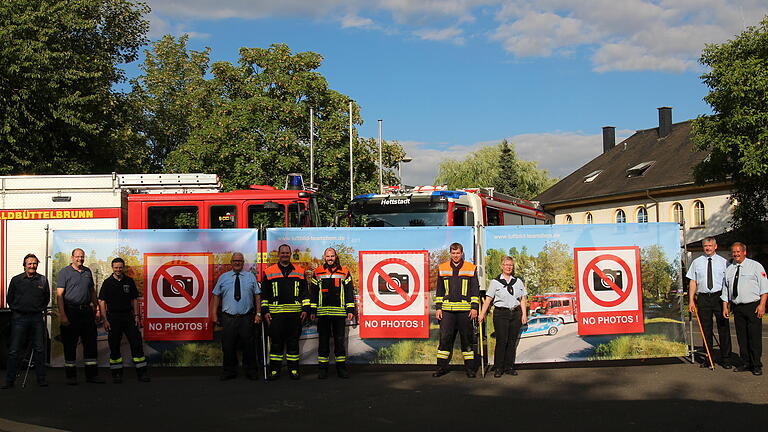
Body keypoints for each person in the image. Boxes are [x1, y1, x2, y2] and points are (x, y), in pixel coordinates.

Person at [97, 258, 150, 383]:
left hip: (128, 317)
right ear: (112, 268)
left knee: (136, 344)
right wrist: (105, 319)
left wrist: (137, 316)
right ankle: (116, 374)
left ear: (123, 267)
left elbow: (134, 299)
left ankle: (142, 373)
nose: (118, 270)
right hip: (113, 318)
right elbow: (102, 301)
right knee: (114, 346)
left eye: (120, 267)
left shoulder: (129, 281)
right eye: (116, 267)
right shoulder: (107, 283)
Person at [211, 252, 262, 380]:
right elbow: (216, 295)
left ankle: (251, 371)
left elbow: (257, 295)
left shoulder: (250, 277)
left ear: (243, 263)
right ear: (231, 262)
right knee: (228, 346)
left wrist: (258, 313)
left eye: (240, 261)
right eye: (235, 261)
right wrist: (213, 314)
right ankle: (229, 371)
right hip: (228, 318)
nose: (237, 263)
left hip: (246, 317)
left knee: (249, 346)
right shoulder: (223, 277)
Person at [262, 244, 310, 380]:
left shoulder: (300, 271)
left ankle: (293, 369)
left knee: (293, 344)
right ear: (278, 254)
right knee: (276, 344)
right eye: (282, 253)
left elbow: (305, 293)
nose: (284, 255)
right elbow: (264, 294)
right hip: (276, 316)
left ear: (290, 254)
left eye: (287, 253)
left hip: (294, 316)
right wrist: (265, 311)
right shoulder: (269, 271)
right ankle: (274, 370)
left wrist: (306, 309)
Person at [56, 248, 104, 384]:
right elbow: (59, 295)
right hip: (71, 312)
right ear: (72, 258)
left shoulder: (87, 271)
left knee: (90, 343)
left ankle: (92, 376)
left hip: (86, 312)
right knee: (70, 344)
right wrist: (63, 315)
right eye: (77, 257)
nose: (80, 259)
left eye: (82, 257)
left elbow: (92, 291)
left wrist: (97, 310)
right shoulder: (64, 272)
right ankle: (71, 377)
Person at [3, 254, 50, 389]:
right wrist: (17, 310)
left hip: (36, 318)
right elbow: (9, 298)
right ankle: (9, 381)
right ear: (24, 265)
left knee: (39, 349)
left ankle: (41, 379)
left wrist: (39, 309)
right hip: (19, 318)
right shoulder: (16, 280)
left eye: (34, 263)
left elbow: (46, 298)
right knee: (14, 350)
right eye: (29, 264)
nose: (32, 266)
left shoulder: (42, 280)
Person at [433, 242, 480, 378]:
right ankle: (441, 368)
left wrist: (474, 308)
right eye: (453, 253)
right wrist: (438, 308)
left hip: (465, 312)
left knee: (467, 341)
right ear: (450, 254)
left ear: (462, 253)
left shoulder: (471, 268)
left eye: (458, 253)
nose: (455, 255)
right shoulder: (442, 268)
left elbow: (474, 289)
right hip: (447, 312)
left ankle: (470, 369)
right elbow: (440, 290)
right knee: (445, 340)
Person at [721, 242, 768, 376]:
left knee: (754, 336)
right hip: (737, 307)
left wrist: (762, 305)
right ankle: (745, 362)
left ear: (744, 252)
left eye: (738, 251)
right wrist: (725, 306)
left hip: (753, 306)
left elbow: (764, 287)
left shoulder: (755, 266)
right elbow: (725, 289)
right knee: (742, 337)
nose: (735, 254)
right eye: (733, 252)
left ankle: (756, 364)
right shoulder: (730, 269)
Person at [310, 248, 356, 379]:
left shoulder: (344, 271)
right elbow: (313, 292)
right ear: (324, 257)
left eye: (332, 256)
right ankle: (322, 369)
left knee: (339, 342)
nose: (330, 258)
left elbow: (348, 292)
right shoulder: (317, 272)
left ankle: (341, 369)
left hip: (339, 314)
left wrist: (350, 310)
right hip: (323, 314)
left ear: (336, 256)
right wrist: (313, 310)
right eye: (328, 256)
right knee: (323, 342)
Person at [686, 237, 731, 368]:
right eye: (705, 245)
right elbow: (692, 282)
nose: (708, 248)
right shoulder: (696, 262)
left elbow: (727, 284)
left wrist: (726, 302)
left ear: (715, 246)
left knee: (723, 328)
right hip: (703, 298)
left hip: (719, 298)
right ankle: (708, 358)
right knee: (706, 329)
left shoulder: (724, 262)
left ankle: (726, 359)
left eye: (710, 245)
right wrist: (691, 301)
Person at [479, 256, 527, 378]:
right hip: (501, 314)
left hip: (515, 314)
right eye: (506, 264)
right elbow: (488, 299)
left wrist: (524, 314)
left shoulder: (518, 282)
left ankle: (509, 367)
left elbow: (523, 299)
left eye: (510, 265)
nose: (508, 267)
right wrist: (482, 313)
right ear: (502, 266)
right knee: (501, 341)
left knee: (511, 342)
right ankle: (498, 367)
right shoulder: (495, 282)